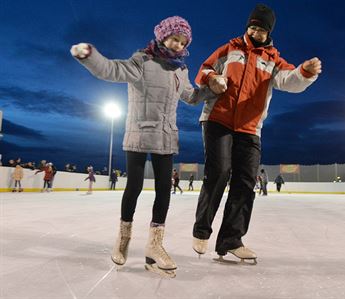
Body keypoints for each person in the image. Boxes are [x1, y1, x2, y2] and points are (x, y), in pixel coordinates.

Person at [71, 16, 210, 277]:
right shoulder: (142, 61)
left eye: (182, 42)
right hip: (138, 132)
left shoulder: (181, 70)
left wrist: (211, 89)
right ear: (162, 37)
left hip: (166, 137)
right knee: (133, 187)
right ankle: (123, 240)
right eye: (174, 39)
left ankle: (154, 246)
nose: (178, 45)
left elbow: (191, 96)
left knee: (164, 191)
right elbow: (112, 69)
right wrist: (90, 56)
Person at [192, 4, 321, 263]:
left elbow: (289, 80)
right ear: (247, 26)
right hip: (218, 118)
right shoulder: (229, 48)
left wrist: (305, 72)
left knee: (245, 181)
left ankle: (231, 240)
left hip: (250, 128)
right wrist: (212, 79)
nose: (256, 31)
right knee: (219, 172)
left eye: (261, 29)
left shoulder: (273, 59)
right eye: (252, 26)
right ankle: (201, 231)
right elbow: (203, 70)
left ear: (268, 32)